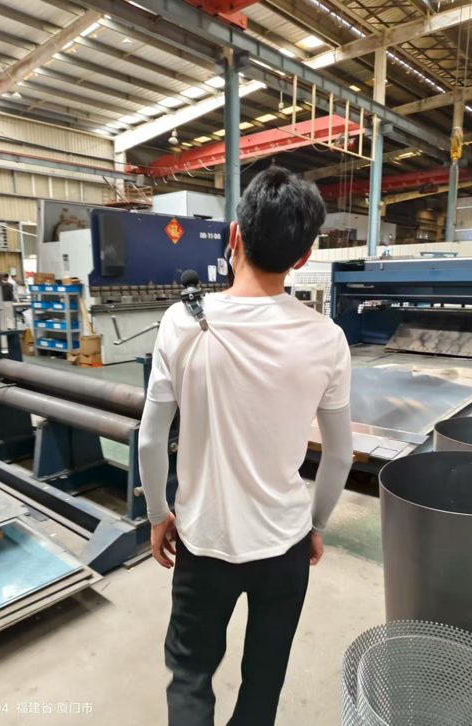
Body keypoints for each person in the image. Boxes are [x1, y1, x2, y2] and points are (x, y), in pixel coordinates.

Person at [138, 167, 354, 726]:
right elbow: (339, 455)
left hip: (203, 542)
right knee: (264, 681)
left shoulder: (181, 322)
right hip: (284, 547)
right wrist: (317, 525)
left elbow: (152, 436)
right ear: (303, 257)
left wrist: (158, 515)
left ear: (233, 236)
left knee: (190, 676)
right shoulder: (327, 339)